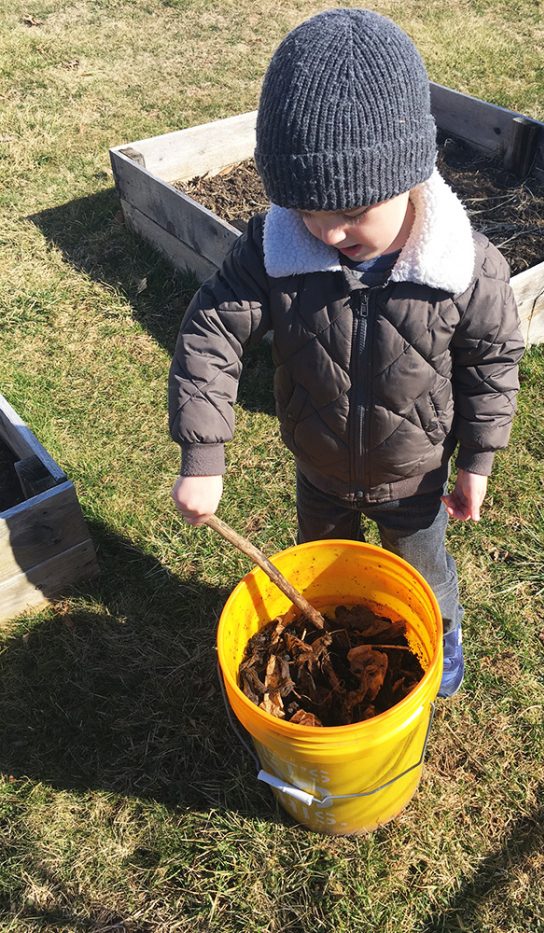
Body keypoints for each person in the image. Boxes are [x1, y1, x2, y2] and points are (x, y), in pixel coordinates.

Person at [168, 8, 524, 698]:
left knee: (423, 572)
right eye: (307, 210)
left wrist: (478, 459)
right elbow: (211, 330)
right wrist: (202, 455)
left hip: (414, 475)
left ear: (410, 176)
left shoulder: (465, 267)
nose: (329, 232)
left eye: (355, 209)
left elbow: (491, 361)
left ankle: (441, 633)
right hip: (320, 466)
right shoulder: (275, 253)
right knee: (324, 570)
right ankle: (333, 649)